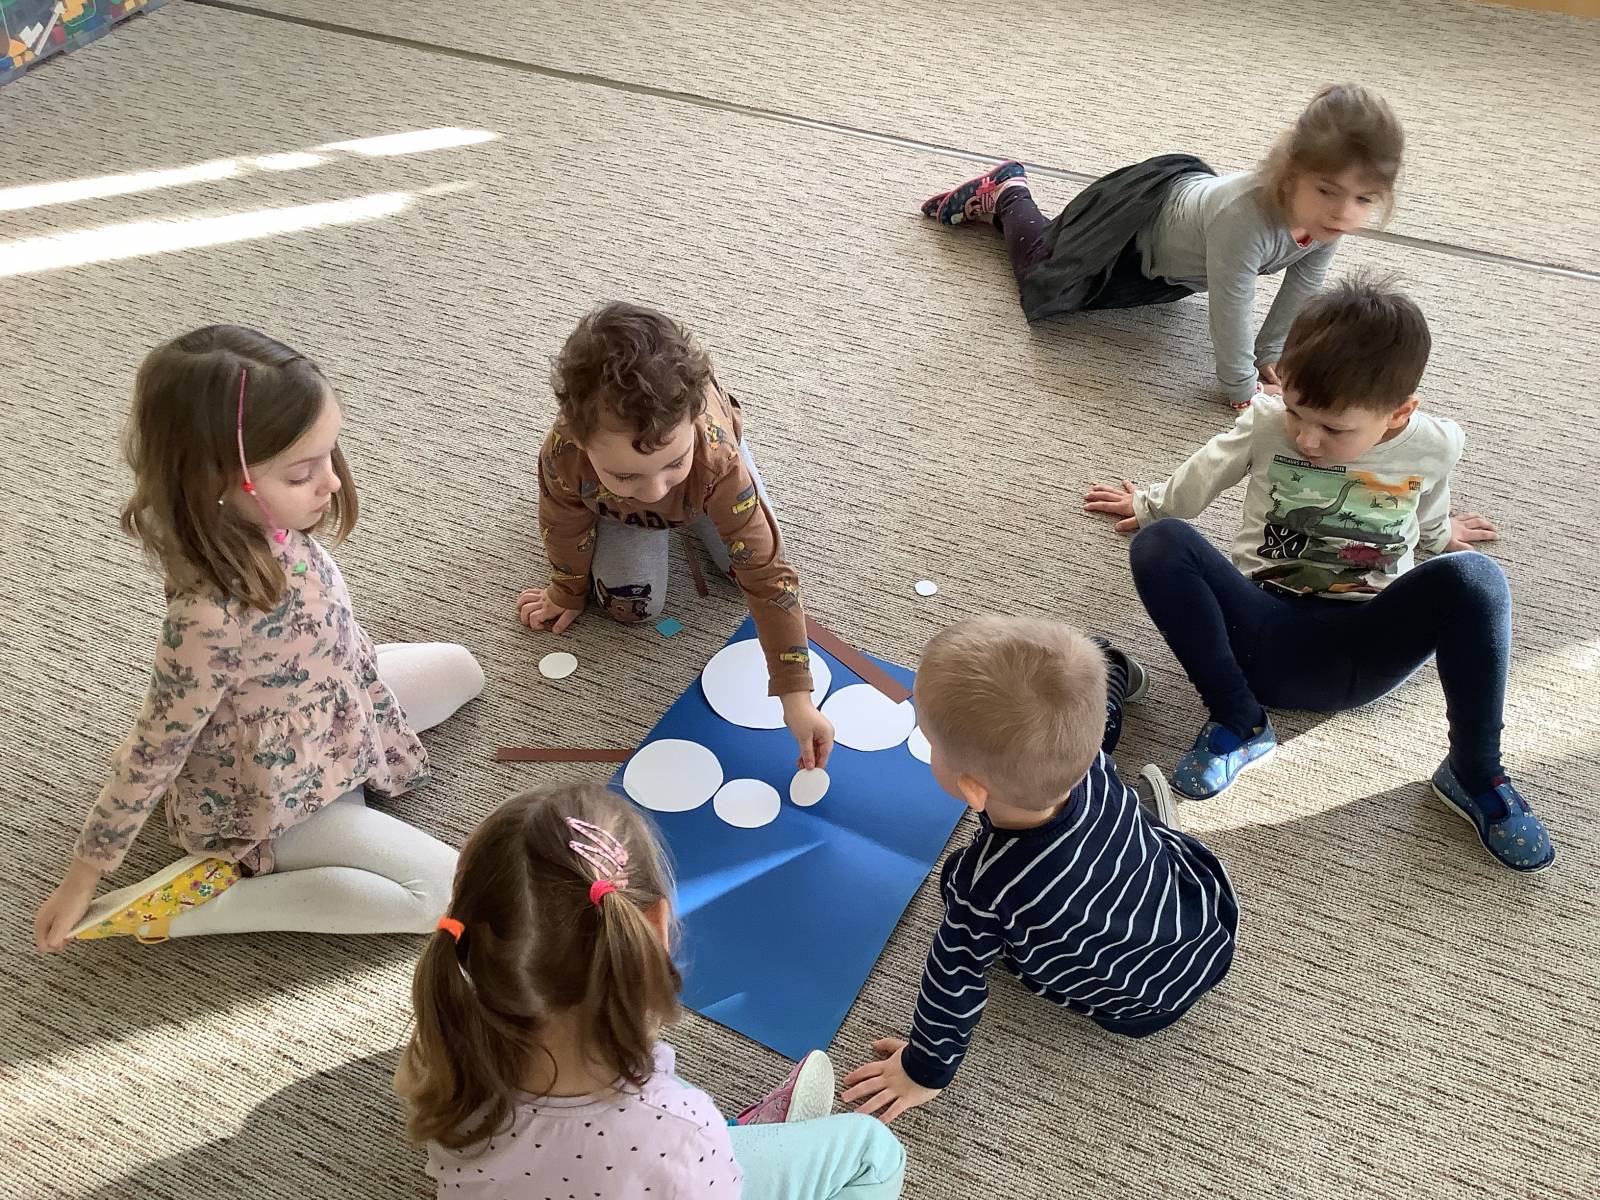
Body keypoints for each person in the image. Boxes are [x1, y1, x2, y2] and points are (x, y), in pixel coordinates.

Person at [32, 325, 484, 951]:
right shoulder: (205, 619)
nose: (331, 482)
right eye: (301, 473)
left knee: (463, 670)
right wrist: (84, 875)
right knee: (443, 895)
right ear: (213, 485)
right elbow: (153, 750)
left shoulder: (273, 523)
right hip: (274, 791)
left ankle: (344, 788)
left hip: (338, 708)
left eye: (330, 454)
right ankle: (201, 907)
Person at [1083, 276, 1552, 873]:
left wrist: (1440, 538)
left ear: (1399, 413)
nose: (1307, 438)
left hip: (1366, 646)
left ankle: (1475, 772)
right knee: (1161, 543)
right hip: (1259, 636)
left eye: (1334, 428)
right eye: (1297, 412)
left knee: (1478, 578)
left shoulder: (1436, 443)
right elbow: (1199, 479)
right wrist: (1149, 505)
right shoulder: (1266, 423)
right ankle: (1239, 723)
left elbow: (1428, 505)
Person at [398, 782, 906, 1199]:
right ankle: (742, 1135)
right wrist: (709, 1143)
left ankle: (745, 1135)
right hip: (672, 1160)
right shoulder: (681, 1133)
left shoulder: (438, 1053)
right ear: (656, 927)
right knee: (872, 1151)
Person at [842, 617, 1237, 1122]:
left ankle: (1114, 670)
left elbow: (954, 981)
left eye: (932, 744)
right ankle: (1116, 668)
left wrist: (923, 1069)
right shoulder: (1093, 764)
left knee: (964, 898)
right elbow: (1095, 724)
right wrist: (1103, 675)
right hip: (1207, 919)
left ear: (972, 790)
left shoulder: (985, 886)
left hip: (1139, 1005)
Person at [922, 83, 1402, 407]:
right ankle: (1008, 192)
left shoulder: (1324, 220)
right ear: (1291, 173)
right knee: (1044, 279)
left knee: (1098, 287)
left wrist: (1270, 352)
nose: (1344, 213)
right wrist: (1240, 387)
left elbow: (1305, 281)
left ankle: (1008, 206)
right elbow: (1233, 302)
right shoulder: (1245, 218)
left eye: (1364, 199)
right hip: (1133, 228)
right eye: (1328, 191)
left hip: (1177, 263)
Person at [517, 302, 834, 769]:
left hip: (711, 481)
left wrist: (796, 696)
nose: (654, 492)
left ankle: (685, 478)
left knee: (742, 569)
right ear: (581, 441)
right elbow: (562, 524)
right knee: (632, 608)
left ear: (694, 417)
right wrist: (566, 589)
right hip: (628, 507)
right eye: (627, 475)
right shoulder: (564, 454)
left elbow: (768, 577)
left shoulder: (716, 459)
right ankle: (647, 483)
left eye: (671, 463)